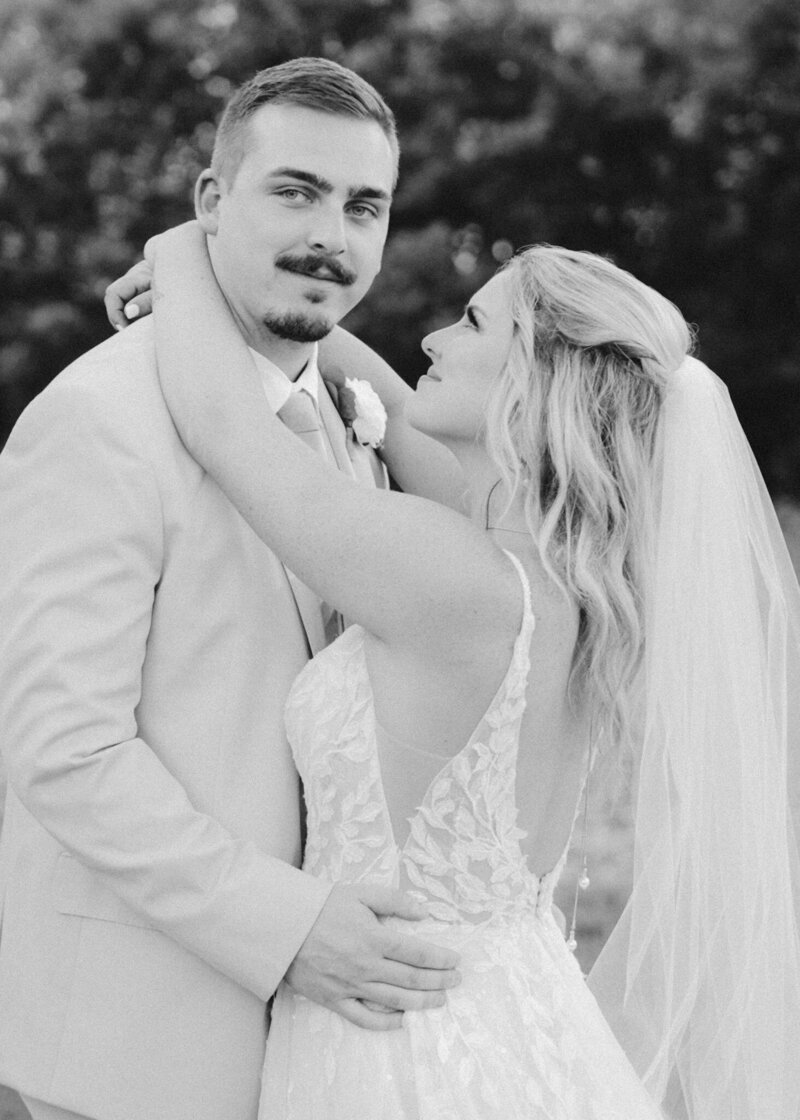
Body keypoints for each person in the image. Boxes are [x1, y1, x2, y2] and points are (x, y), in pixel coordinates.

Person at [123, 220, 800, 1118]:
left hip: (416, 1047)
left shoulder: (452, 577)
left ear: (532, 384)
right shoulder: (557, 579)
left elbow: (222, 426)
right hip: (511, 1012)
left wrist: (191, 249)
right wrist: (289, 312)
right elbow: (398, 409)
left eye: (472, 325)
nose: (434, 339)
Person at [0, 59, 464, 1120]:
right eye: (293, 191)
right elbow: (64, 751)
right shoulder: (98, 419)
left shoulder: (360, 416)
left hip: (329, 1052)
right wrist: (289, 923)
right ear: (212, 203)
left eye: (363, 206)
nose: (330, 236)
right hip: (132, 1046)